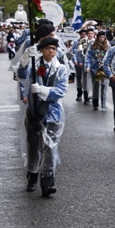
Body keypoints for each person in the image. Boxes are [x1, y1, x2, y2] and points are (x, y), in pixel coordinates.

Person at [19, 37, 69, 196]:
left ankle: (47, 183)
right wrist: (25, 60)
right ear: (41, 50)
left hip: (53, 113)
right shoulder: (34, 66)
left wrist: (41, 90)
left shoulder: (61, 68)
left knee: (50, 148)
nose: (51, 51)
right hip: (34, 112)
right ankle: (32, 177)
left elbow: (61, 90)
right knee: (33, 146)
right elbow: (21, 75)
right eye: (48, 48)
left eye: (54, 48)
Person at [86, 30, 110, 110]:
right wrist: (87, 66)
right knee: (96, 85)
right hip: (95, 68)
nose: (102, 39)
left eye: (103, 37)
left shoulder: (108, 45)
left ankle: (104, 103)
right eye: (100, 37)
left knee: (104, 85)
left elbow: (110, 56)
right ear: (97, 37)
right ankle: (95, 103)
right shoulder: (92, 45)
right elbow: (88, 56)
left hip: (104, 68)